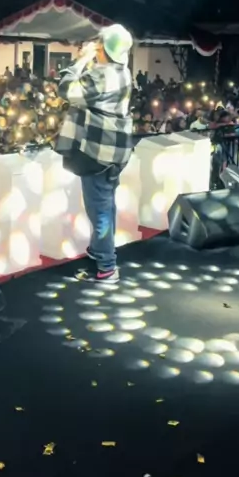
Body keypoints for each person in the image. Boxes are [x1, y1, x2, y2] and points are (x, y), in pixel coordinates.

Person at [56, 24, 133, 283]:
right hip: (117, 151)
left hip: (98, 152)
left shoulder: (102, 75)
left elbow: (66, 90)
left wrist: (80, 60)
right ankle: (100, 253)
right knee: (107, 206)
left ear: (104, 48)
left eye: (98, 44)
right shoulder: (124, 72)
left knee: (99, 211)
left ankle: (107, 267)